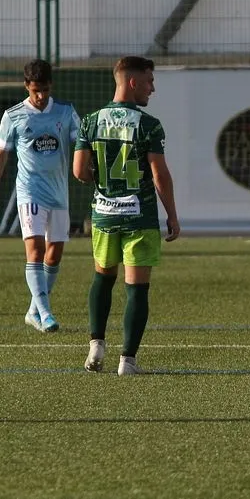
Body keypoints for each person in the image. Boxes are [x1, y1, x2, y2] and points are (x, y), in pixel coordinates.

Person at [73, 56, 180, 376]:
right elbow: (160, 175)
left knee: (103, 277)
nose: (153, 88)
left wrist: (103, 181)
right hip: (139, 217)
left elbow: (79, 171)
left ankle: (96, 345)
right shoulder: (148, 124)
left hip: (104, 216)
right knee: (137, 288)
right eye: (149, 81)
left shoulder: (91, 121)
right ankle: (127, 361)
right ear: (132, 82)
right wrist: (172, 215)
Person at [0, 60, 80, 333]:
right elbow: (0, 156)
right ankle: (46, 312)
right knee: (35, 250)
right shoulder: (13, 116)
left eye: (45, 90)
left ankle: (33, 310)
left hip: (59, 193)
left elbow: (82, 143)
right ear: (27, 86)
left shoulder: (65, 112)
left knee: (54, 255)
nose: (40, 96)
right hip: (30, 193)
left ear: (52, 86)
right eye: (36, 90)